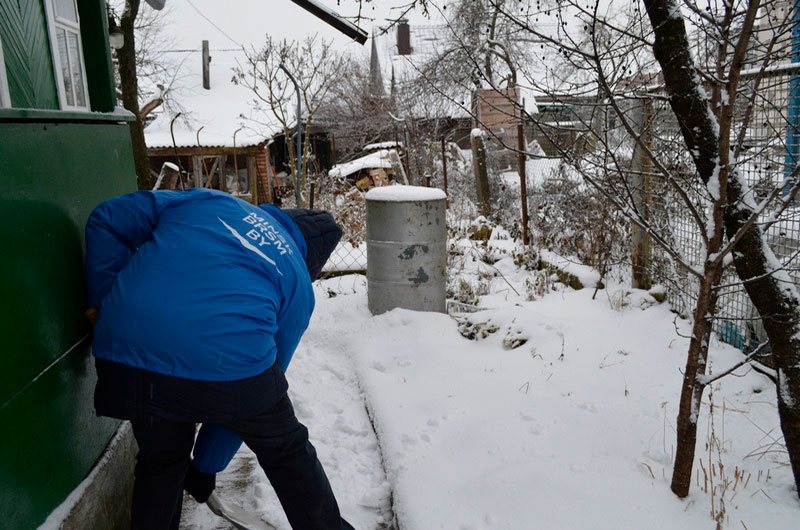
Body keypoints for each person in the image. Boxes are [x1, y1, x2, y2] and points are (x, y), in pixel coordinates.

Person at [84, 188, 351, 530]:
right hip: (229, 368)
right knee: (286, 450)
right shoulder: (298, 281)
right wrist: (205, 467)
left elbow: (106, 218)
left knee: (161, 459)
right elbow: (254, 394)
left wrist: (105, 304)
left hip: (127, 356)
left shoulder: (210, 200)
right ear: (310, 260)